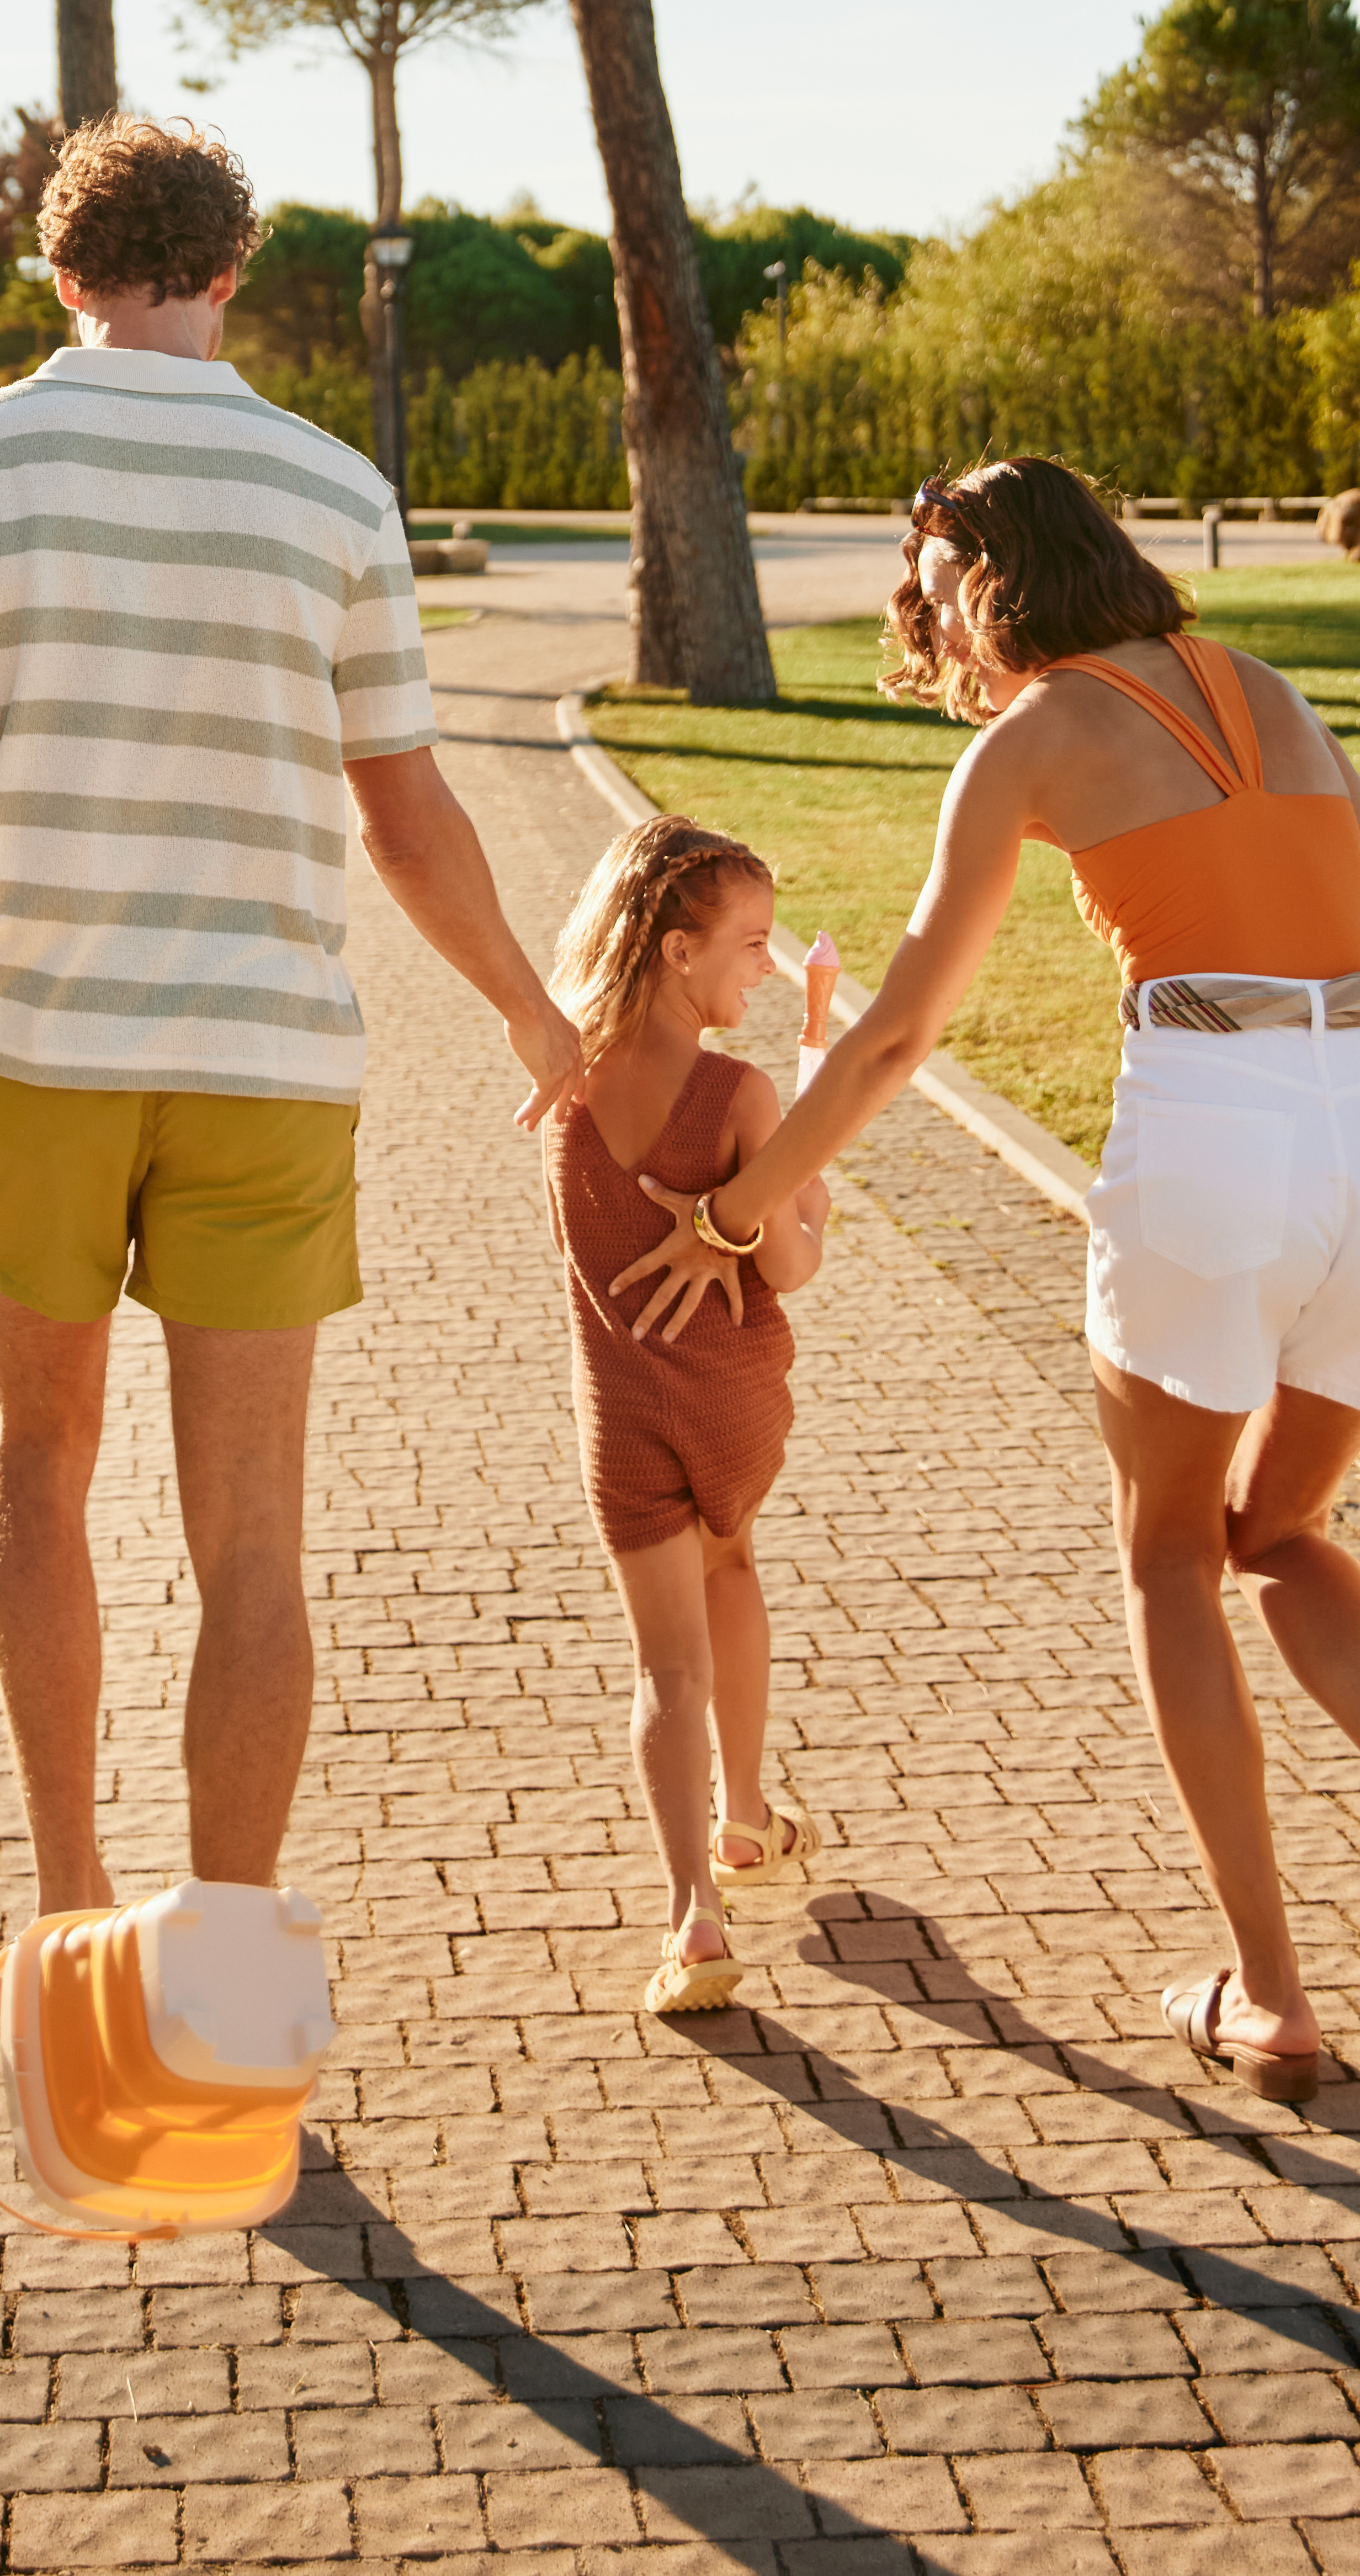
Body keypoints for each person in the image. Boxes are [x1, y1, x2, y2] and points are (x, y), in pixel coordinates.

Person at [614, 456, 1360, 2102]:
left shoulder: (1029, 743)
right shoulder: (1265, 686)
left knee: (1171, 1557)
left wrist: (735, 1210)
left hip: (1217, 1132)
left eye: (937, 595)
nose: (934, 631)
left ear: (998, 580)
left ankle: (1270, 1996)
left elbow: (901, 1034)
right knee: (1281, 1530)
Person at [0, 111, 585, 1914]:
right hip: (265, 1060)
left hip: (31, 1048)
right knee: (252, 1540)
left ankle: (73, 1903)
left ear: (59, 270)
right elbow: (409, 816)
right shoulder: (333, 490)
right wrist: (530, 1013)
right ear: (232, 272)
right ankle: (226, 1944)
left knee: (39, 1472)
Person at [544, 817, 836, 2014]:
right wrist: (802, 1197)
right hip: (726, 1399)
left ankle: (692, 1918)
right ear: (676, 948)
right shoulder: (736, 1093)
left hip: (618, 1413)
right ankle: (747, 1813)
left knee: (664, 1665)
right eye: (751, 943)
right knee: (733, 1566)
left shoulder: (563, 1080)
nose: (766, 966)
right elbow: (791, 1264)